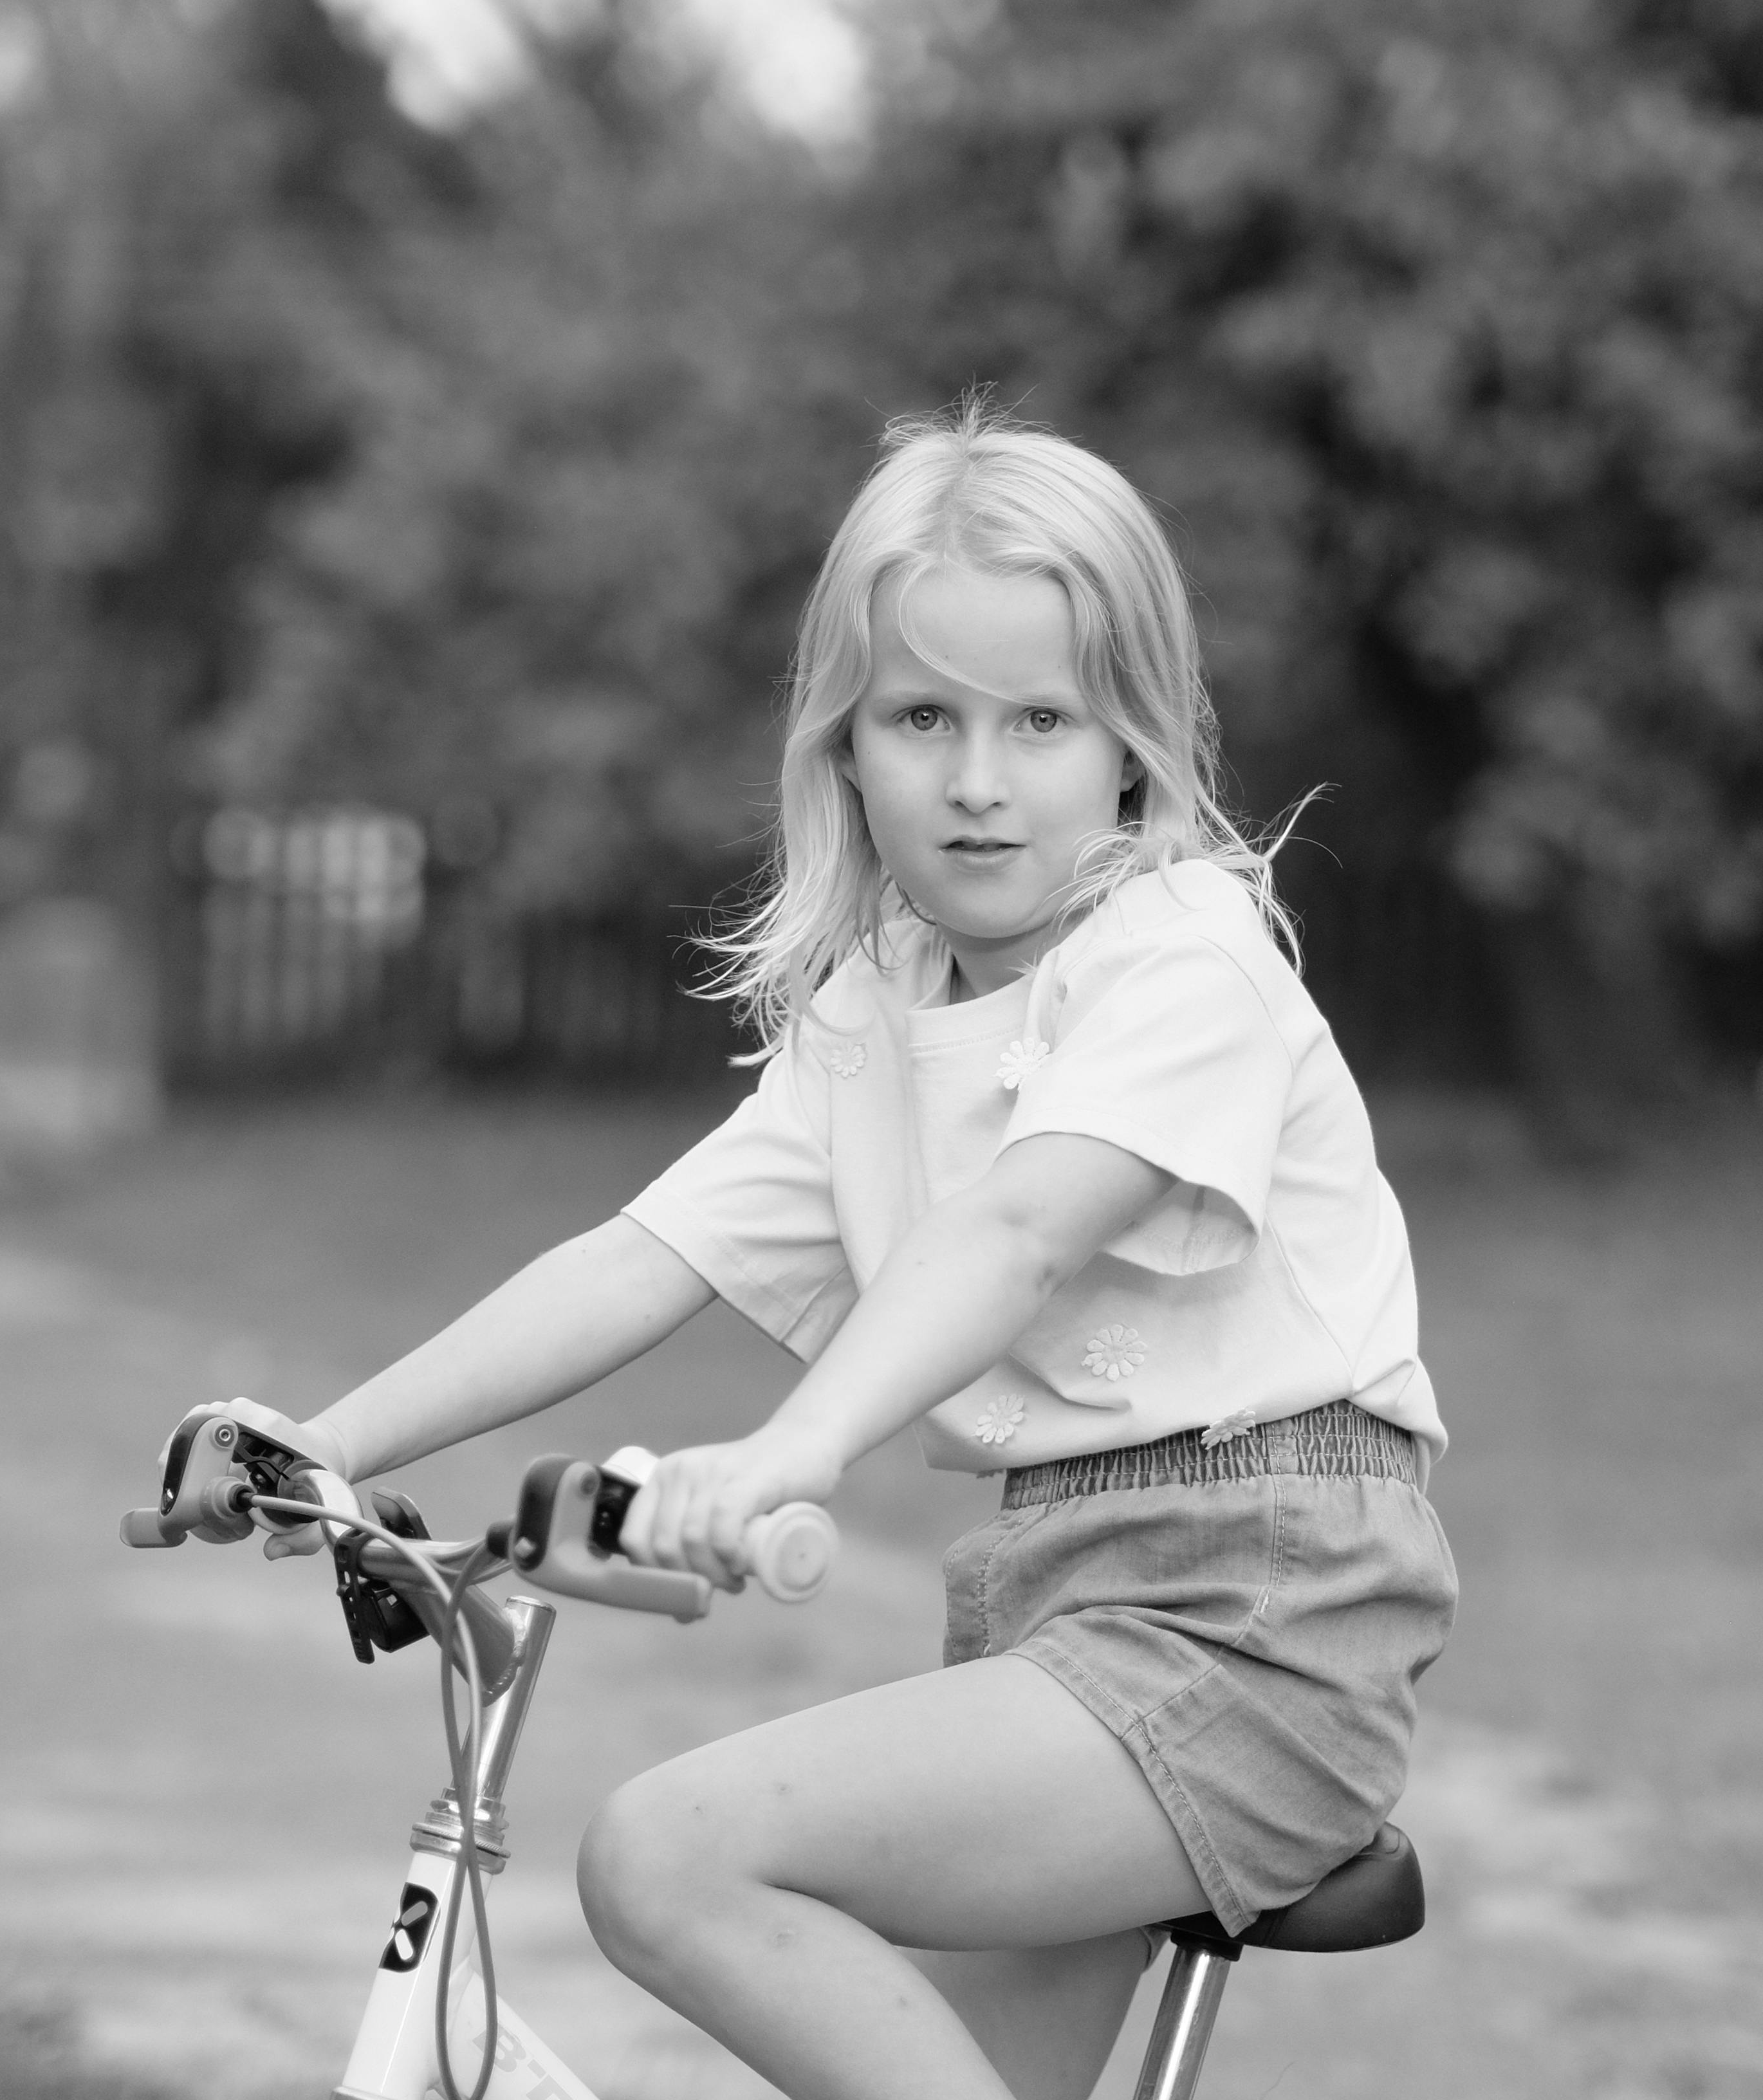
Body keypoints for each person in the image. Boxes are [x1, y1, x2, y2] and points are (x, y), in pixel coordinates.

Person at [269, 403, 1457, 2100]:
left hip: (1259, 1614)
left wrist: (791, 1449)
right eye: (921, 717)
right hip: (1065, 1611)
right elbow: (643, 1253)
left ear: (1131, 746)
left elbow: (1025, 1227)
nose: (976, 780)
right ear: (843, 749)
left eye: (1038, 719)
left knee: (670, 1856)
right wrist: (327, 1442)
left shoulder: (1178, 967)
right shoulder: (875, 1012)